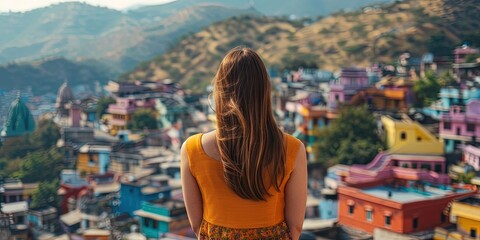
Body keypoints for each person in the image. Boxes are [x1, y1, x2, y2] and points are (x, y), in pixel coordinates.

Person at [181, 47, 307, 239]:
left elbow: (198, 225)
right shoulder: (292, 149)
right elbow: (295, 227)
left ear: (220, 91)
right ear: (264, 92)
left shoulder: (192, 149)